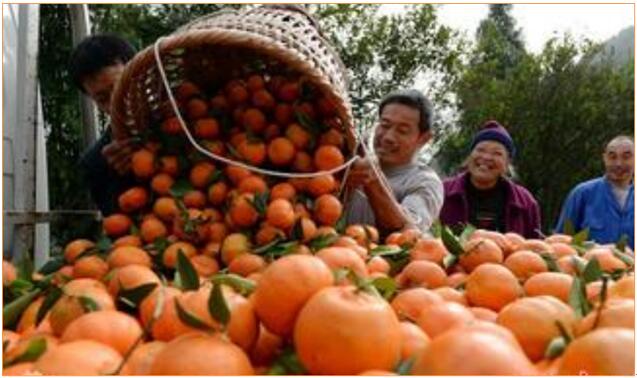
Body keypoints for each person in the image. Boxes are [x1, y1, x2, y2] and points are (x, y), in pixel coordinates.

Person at [344, 89, 444, 234]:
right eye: (385, 125)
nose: (388, 137)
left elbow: (408, 233)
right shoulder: (352, 161)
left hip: (371, 256)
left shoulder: (425, 182)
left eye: (402, 131)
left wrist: (374, 181)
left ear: (424, 139)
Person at [68, 34, 138, 215]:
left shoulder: (181, 121)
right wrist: (124, 175)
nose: (117, 103)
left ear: (139, 72)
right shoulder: (96, 163)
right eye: (103, 98)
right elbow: (119, 227)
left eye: (121, 87)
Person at [439, 121, 541, 238]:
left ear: (507, 164)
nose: (486, 157)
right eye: (480, 150)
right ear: (469, 156)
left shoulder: (525, 202)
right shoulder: (441, 193)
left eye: (497, 153)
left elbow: (536, 249)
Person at [555, 135, 634, 249]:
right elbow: (560, 242)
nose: (618, 164)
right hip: (590, 266)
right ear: (604, 158)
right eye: (612, 157)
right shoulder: (582, 194)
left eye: (626, 157)